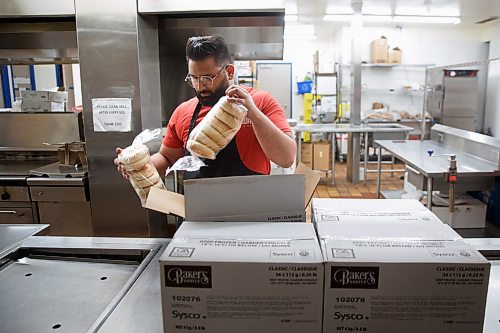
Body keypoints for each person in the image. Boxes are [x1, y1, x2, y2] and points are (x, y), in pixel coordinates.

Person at [115, 34, 296, 179]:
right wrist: (139, 165)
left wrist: (254, 115)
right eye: (194, 78)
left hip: (251, 213)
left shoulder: (260, 101)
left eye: (208, 78)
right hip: (199, 213)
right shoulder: (183, 112)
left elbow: (286, 159)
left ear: (229, 71)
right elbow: (166, 159)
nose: (200, 86)